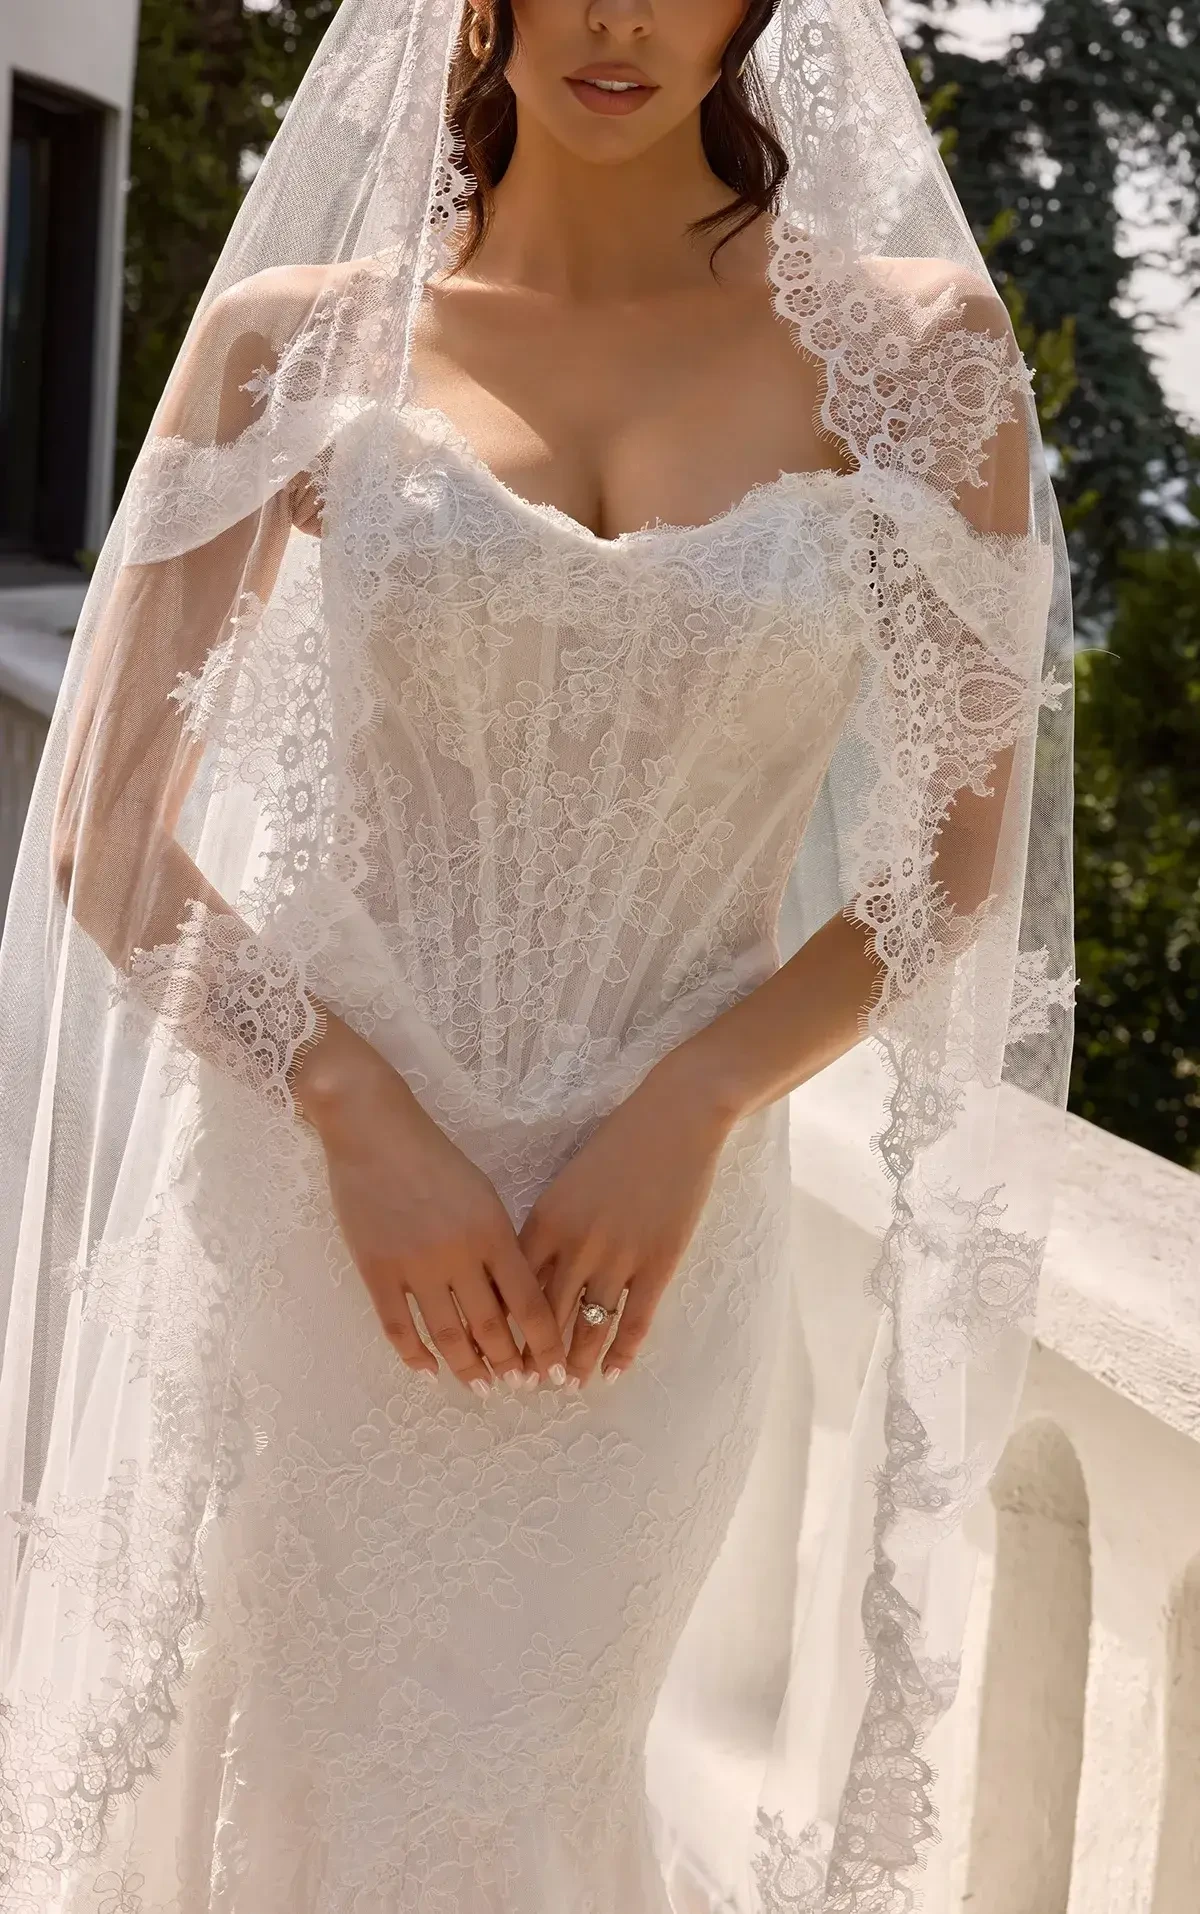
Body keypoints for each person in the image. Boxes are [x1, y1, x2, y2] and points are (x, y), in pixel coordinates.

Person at [0, 3, 1074, 1911]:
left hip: (644, 1256)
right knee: (304, 1769)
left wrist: (701, 1094)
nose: (614, 17)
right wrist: (351, 1107)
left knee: (525, 1763)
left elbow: (953, 866)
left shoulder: (915, 363)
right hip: (323, 1219)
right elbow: (102, 827)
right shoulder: (294, 346)